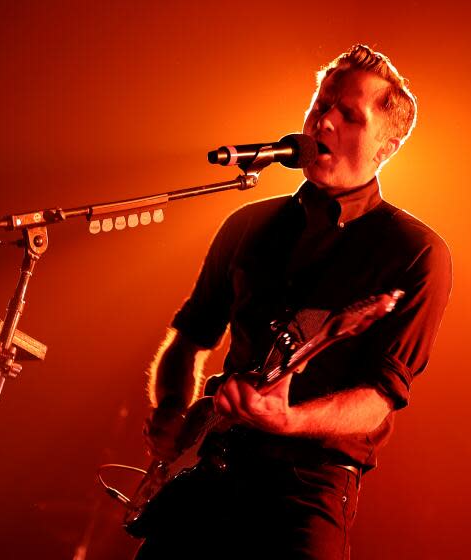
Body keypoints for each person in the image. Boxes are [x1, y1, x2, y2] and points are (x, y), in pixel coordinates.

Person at [135, 44, 451, 559]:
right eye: (320, 104)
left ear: (386, 147)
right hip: (212, 469)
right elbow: (188, 341)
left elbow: (378, 399)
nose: (323, 120)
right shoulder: (248, 224)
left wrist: (290, 421)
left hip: (307, 491)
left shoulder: (415, 252)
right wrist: (171, 409)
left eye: (348, 115)